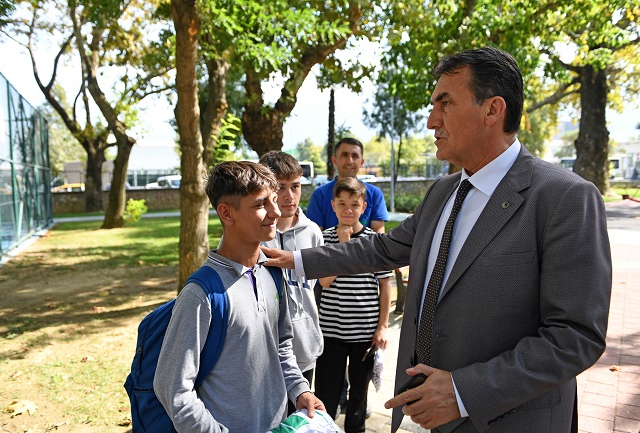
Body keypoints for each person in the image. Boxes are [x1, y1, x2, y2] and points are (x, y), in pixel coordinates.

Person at [262, 46, 612, 433]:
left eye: (445, 104)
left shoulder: (565, 198)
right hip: (437, 419)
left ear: (492, 110)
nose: (431, 121)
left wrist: (463, 392)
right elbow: (383, 248)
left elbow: (574, 337)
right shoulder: (443, 193)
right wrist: (297, 260)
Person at [154, 161, 324, 433]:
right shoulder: (201, 294)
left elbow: (281, 346)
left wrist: (299, 390)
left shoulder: (272, 272)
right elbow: (174, 389)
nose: (275, 212)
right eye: (260, 204)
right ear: (226, 213)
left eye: (273, 200)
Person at [314, 177, 392, 432]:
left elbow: (385, 285)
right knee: (326, 393)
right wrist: (343, 247)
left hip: (364, 333)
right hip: (331, 332)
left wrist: (382, 327)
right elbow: (324, 282)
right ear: (333, 206)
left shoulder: (374, 242)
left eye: (354, 204)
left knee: (359, 395)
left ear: (364, 207)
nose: (348, 210)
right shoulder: (324, 238)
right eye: (342, 204)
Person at [259, 150, 325, 414]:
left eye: (295, 186)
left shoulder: (312, 232)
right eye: (280, 187)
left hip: (304, 346)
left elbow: (313, 285)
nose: (289, 196)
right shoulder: (252, 233)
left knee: (301, 418)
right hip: (264, 351)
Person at [306, 137, 389, 233]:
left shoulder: (374, 194)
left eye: (355, 156)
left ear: (361, 162)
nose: (350, 161)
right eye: (344, 155)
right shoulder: (320, 194)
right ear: (334, 160)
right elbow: (315, 235)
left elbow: (378, 235)